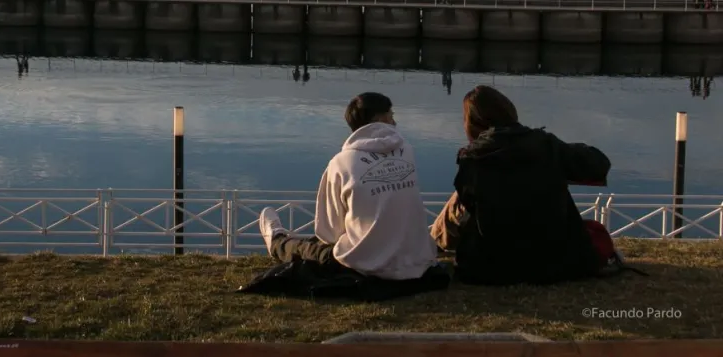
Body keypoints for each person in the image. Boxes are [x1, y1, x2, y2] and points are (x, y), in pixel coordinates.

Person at [431, 85, 611, 286]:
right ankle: (431, 243)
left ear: (472, 122)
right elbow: (599, 165)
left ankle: (431, 245)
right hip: (556, 263)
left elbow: (468, 211)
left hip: (488, 268)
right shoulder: (546, 145)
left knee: (459, 200)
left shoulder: (472, 158)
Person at [258, 92, 443, 286]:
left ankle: (277, 241)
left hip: (365, 265)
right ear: (378, 119)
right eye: (391, 115)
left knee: (313, 251)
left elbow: (329, 233)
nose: (394, 122)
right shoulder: (407, 151)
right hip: (415, 261)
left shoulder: (341, 163)